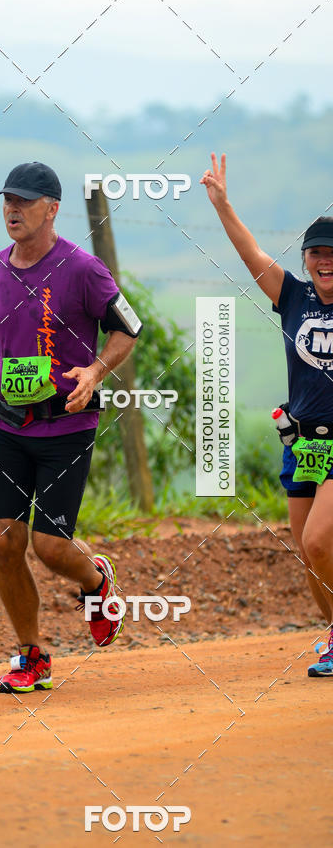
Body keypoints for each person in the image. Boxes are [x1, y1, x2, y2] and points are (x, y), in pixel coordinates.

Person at [0, 161, 142, 692]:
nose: (12, 210)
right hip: (8, 422)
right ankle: (31, 657)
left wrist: (93, 370)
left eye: (23, 201)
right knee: (4, 541)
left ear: (52, 208)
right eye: (7, 201)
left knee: (48, 546)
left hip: (66, 426)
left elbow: (128, 329)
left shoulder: (84, 269)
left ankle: (97, 582)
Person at [201, 152, 333, 677]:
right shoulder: (292, 296)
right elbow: (249, 251)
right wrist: (223, 206)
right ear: (305, 259)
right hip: (302, 444)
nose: (326, 261)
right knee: (309, 552)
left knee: (321, 540)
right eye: (317, 253)